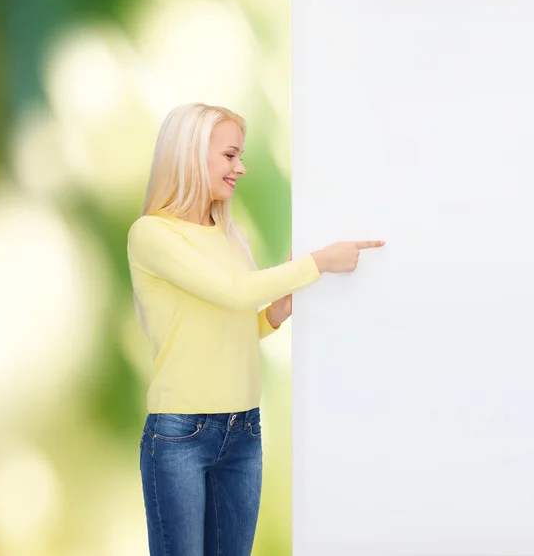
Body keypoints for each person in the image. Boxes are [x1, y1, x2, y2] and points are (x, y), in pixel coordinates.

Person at [127, 102, 385, 556]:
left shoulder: (231, 233)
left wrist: (275, 314)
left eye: (240, 155)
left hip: (244, 430)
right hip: (180, 436)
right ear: (191, 155)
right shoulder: (151, 234)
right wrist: (318, 263)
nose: (240, 167)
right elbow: (235, 291)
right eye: (229, 155)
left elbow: (237, 321)